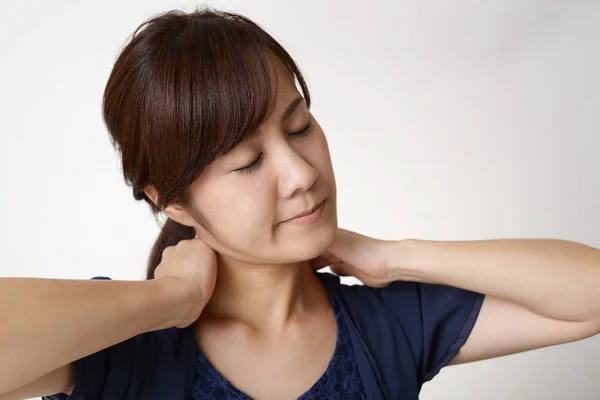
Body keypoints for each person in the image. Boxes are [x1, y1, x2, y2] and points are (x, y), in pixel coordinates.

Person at [1, 6, 599, 400]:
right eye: (247, 161)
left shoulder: (387, 326)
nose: (300, 172)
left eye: (298, 126)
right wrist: (170, 299)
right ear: (173, 202)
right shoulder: (120, 347)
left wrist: (394, 256)